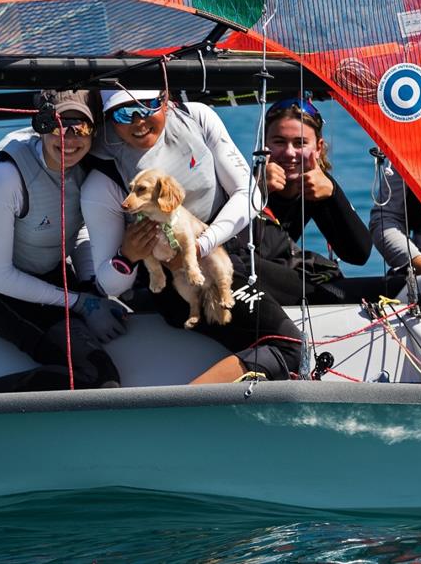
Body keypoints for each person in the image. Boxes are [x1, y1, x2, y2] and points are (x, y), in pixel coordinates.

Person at [81, 89, 302, 383]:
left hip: (226, 254)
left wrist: (202, 244)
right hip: (179, 282)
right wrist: (128, 255)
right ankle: (178, 417)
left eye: (148, 106)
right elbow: (108, 282)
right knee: (289, 346)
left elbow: (249, 194)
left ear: (166, 99)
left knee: (322, 288)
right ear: (109, 119)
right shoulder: (102, 180)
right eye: (124, 113)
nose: (139, 121)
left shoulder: (196, 116)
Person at [0, 90, 126, 395]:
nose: (69, 139)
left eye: (81, 128)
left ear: (94, 130)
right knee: (95, 377)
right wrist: (80, 303)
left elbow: (80, 229)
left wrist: (92, 285)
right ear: (41, 125)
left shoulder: (87, 162)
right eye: (57, 125)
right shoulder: (6, 176)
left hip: (51, 273)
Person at [245, 98, 395, 305]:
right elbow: (245, 251)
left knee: (393, 286)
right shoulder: (245, 183)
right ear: (264, 146)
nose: (289, 153)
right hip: (245, 280)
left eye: (300, 143)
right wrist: (255, 191)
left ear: (318, 147)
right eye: (279, 142)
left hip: (281, 284)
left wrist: (332, 195)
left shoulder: (316, 183)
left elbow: (358, 255)